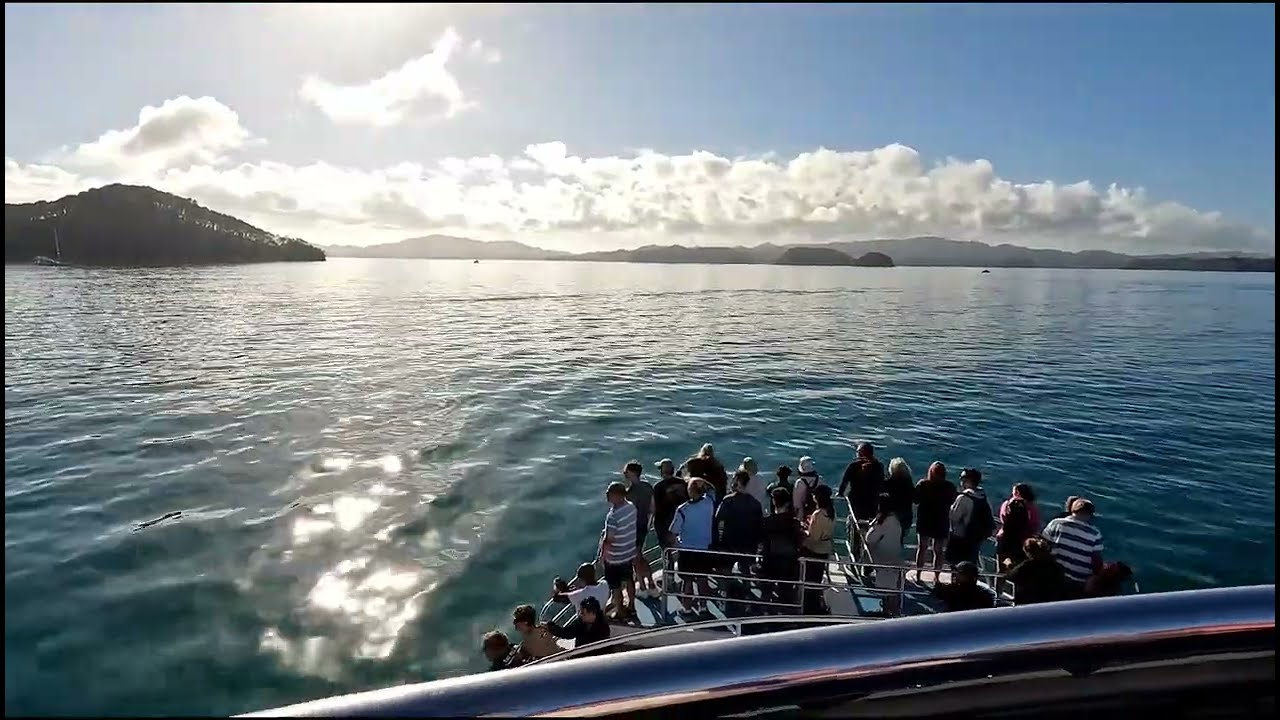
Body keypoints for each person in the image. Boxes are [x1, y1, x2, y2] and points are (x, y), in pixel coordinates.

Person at [668, 477, 716, 614]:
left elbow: (673, 532)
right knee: (702, 579)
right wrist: (701, 481)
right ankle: (703, 606)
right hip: (704, 549)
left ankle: (687, 608)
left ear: (689, 491)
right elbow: (712, 489)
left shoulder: (683, 510)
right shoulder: (709, 502)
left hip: (686, 550)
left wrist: (675, 549)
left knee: (687, 581)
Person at [1042, 498, 1105, 596]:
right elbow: (1096, 560)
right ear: (1090, 514)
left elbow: (1044, 544)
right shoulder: (1095, 533)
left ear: (1072, 510)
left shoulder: (1056, 523)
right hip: (1079, 580)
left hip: (1055, 574)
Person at [600, 481, 638, 620]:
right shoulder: (632, 507)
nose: (607, 495)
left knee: (615, 587)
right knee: (629, 580)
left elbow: (609, 539)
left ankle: (621, 612)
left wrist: (603, 556)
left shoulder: (612, 516)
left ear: (617, 495)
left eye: (609, 493)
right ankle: (632, 606)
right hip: (628, 553)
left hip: (615, 557)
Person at [759, 486, 804, 605]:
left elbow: (762, 540)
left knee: (766, 592)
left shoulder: (767, 522)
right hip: (789, 563)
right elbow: (798, 541)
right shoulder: (794, 523)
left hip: (770, 561)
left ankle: (766, 613)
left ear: (774, 501)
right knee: (786, 594)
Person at [864, 492, 905, 616]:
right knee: (893, 588)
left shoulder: (882, 521)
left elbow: (870, 538)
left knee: (887, 589)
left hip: (883, 558)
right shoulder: (895, 520)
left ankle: (889, 612)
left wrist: (871, 527)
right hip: (895, 557)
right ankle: (891, 611)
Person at [622, 460, 658, 598]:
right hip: (643, 526)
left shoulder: (629, 493)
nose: (624, 473)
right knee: (639, 556)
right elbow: (653, 508)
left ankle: (644, 587)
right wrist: (649, 523)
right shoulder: (648, 487)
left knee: (636, 559)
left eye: (626, 471)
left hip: (632, 530)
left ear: (632, 473)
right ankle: (649, 584)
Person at [714, 469, 765, 566]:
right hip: (749, 543)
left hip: (730, 542)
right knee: (745, 571)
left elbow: (718, 518)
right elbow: (760, 526)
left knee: (726, 570)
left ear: (737, 481)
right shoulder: (755, 503)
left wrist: (717, 539)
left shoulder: (728, 500)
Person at [946, 468, 994, 567]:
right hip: (976, 537)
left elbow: (954, 517)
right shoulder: (983, 496)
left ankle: (956, 581)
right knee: (971, 562)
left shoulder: (963, 498)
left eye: (962, 478)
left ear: (967, 480)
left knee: (956, 563)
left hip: (960, 536)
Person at [913, 462, 956, 571]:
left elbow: (915, 500)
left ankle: (918, 573)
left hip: (925, 520)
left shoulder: (923, 484)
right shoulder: (950, 487)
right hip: (941, 521)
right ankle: (936, 575)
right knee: (938, 550)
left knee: (922, 548)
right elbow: (953, 501)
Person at [800, 484, 835, 614]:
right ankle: (816, 603)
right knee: (817, 578)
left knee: (810, 579)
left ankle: (809, 607)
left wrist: (804, 529)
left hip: (814, 549)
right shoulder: (831, 511)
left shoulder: (818, 514)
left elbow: (813, 537)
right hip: (825, 549)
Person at [1005, 536, 1066, 604]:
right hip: (1050, 604)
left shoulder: (1026, 567)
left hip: (1028, 604)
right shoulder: (1058, 567)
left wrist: (1009, 565)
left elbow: (1011, 576)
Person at [838, 441, 885, 522]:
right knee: (870, 521)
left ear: (860, 453)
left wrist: (840, 493)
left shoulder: (853, 466)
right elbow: (881, 482)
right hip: (872, 500)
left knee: (856, 521)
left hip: (857, 500)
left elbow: (844, 481)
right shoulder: (879, 466)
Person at [996, 483, 1039, 568]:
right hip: (1022, 542)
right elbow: (1034, 525)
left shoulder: (1007, 504)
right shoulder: (1032, 508)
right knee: (1020, 569)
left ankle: (999, 580)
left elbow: (1003, 518)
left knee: (1001, 568)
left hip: (1004, 538)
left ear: (1017, 492)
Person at [652, 458, 689, 552]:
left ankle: (669, 565)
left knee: (667, 551)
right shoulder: (683, 483)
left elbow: (655, 508)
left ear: (662, 471)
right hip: (681, 522)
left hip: (665, 525)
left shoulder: (658, 487)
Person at [546, 595, 611, 649]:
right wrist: (550, 627)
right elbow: (566, 633)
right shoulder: (580, 623)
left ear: (592, 613)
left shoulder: (602, 627)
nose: (580, 614)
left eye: (583, 613)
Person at [884, 457, 915, 540]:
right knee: (901, 537)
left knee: (890, 538)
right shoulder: (908, 482)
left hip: (893, 514)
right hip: (906, 514)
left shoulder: (889, 482)